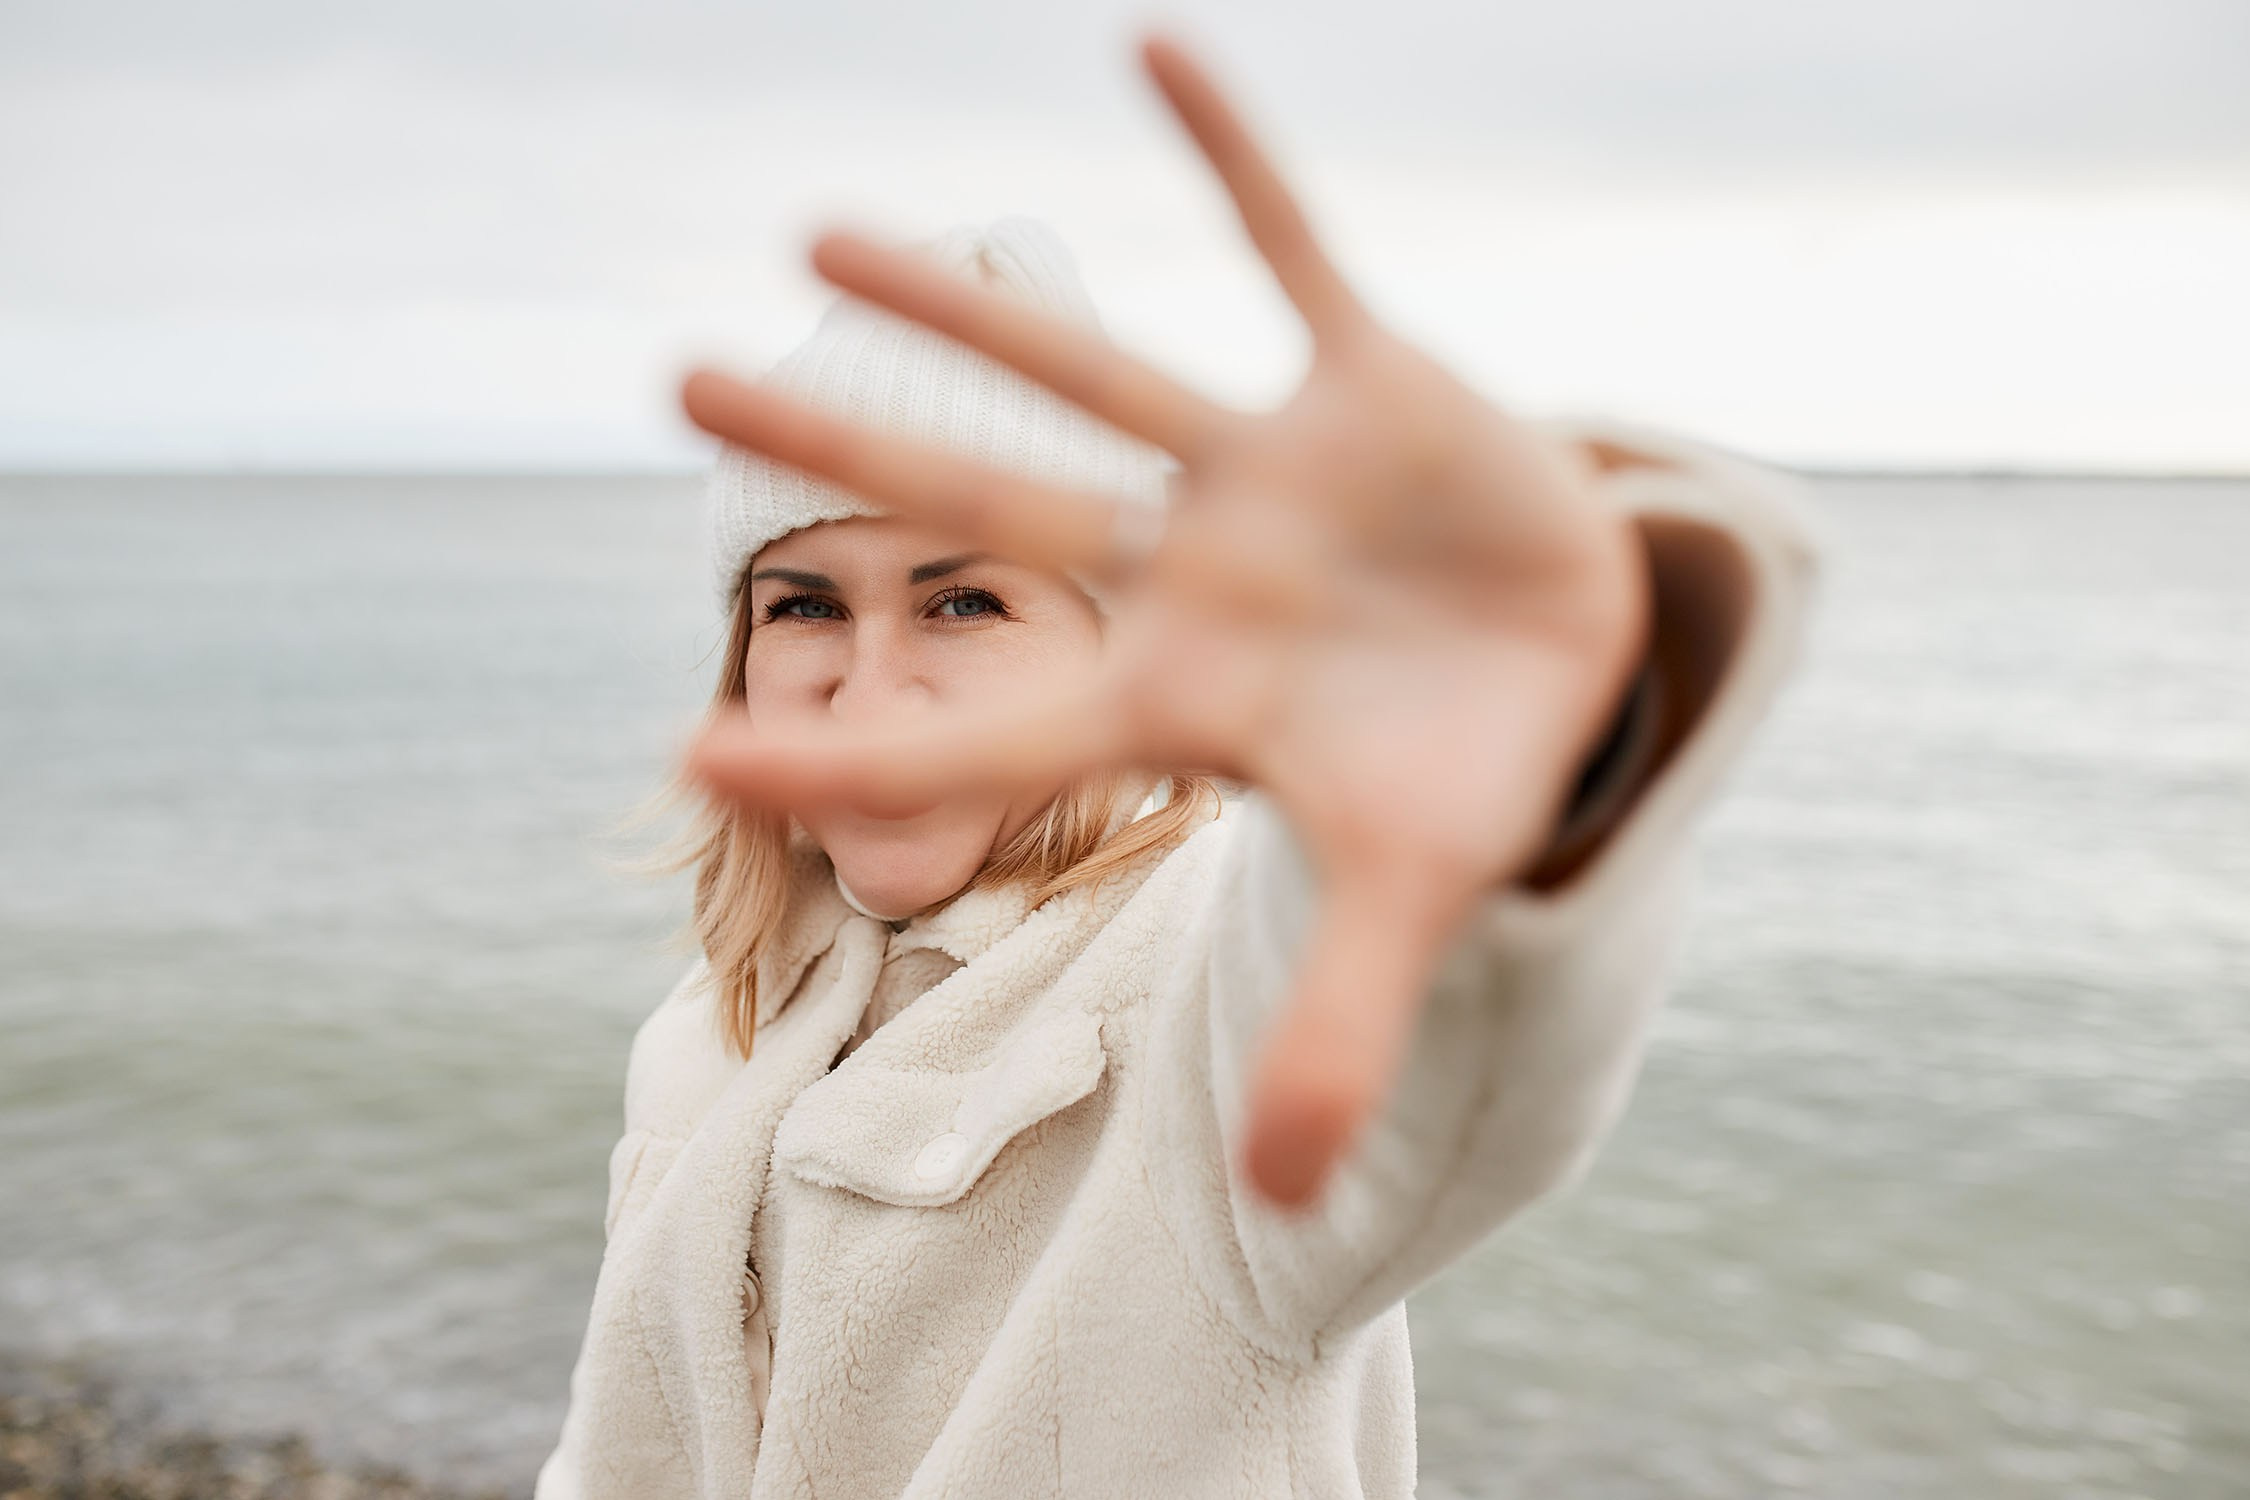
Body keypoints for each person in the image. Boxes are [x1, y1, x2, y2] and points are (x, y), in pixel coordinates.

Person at [535, 31, 1822, 1500]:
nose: (867, 688)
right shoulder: (713, 1033)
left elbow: (1446, 1058)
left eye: (964, 600)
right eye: (804, 605)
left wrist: (1539, 754)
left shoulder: (1201, 994)